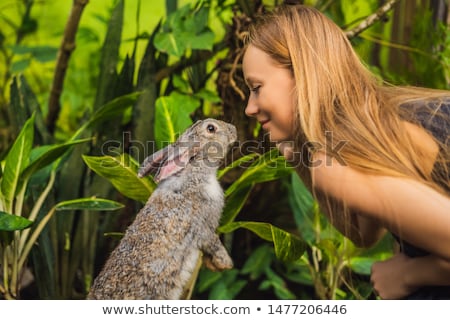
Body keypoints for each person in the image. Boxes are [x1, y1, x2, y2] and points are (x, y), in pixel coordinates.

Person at [241, 4, 450, 299]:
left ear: (301, 75)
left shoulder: (336, 162)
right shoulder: (379, 120)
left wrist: (407, 275)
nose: (249, 108)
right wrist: (302, 158)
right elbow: (363, 232)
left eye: (256, 87)